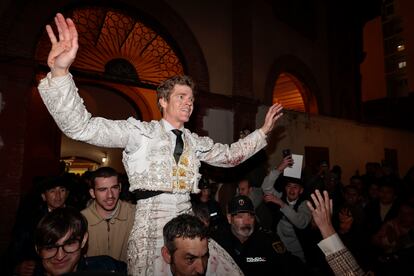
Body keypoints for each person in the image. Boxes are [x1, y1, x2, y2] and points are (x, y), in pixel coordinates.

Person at [38, 13, 284, 276]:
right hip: (151, 232)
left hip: (189, 228)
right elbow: (82, 127)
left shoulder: (195, 142)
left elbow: (231, 156)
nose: (189, 103)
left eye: (191, 99)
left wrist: (263, 131)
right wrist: (61, 71)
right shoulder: (139, 132)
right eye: (181, 96)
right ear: (163, 102)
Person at [215, 195, 308, 276]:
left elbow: (289, 265)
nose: (247, 222)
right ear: (229, 218)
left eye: (251, 216)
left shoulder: (267, 240)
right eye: (240, 216)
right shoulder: (217, 243)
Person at [7, 175, 71, 276]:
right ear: (44, 196)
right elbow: (15, 247)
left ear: (67, 194)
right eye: (52, 191)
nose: (58, 196)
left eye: (62, 190)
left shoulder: (75, 218)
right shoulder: (30, 221)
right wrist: (16, 267)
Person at [32, 207, 127, 276]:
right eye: (50, 248)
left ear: (83, 240)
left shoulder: (108, 267)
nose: (60, 256)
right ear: (37, 249)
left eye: (69, 244)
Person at [306, 190, 367, 276]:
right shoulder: (334, 230)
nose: (343, 217)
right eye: (341, 213)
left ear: (355, 219)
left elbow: (354, 265)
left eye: (347, 215)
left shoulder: (358, 238)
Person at [81, 167, 135, 262]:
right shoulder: (81, 220)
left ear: (120, 188)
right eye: (102, 190)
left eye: (114, 188)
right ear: (92, 193)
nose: (110, 195)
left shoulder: (135, 214)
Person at [262, 173, 312, 263]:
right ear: (285, 188)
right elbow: (265, 187)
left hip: (299, 254)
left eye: (295, 187)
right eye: (289, 186)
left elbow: (301, 223)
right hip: (279, 249)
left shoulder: (305, 204)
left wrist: (281, 204)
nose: (291, 190)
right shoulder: (281, 197)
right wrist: (279, 169)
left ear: (301, 190)